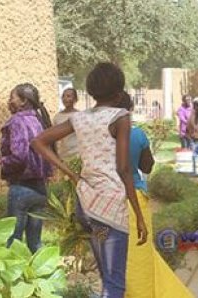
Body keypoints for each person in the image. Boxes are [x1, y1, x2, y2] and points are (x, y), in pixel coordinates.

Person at [31, 62, 147, 297]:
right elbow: (124, 169)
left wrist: (72, 174)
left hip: (89, 206)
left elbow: (38, 142)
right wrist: (139, 216)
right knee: (115, 284)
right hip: (111, 206)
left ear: (92, 92)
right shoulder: (120, 117)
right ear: (118, 93)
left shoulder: (79, 119)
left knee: (106, 274)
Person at [116, 94, 193, 298]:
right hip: (136, 201)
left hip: (106, 201)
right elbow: (147, 167)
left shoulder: (101, 135)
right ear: (129, 109)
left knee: (113, 256)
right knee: (139, 254)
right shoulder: (137, 135)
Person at [0, 83, 53, 253]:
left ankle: (12, 279)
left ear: (23, 101)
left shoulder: (17, 121)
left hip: (22, 188)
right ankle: (39, 276)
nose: (9, 102)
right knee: (35, 242)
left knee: (13, 241)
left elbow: (20, 156)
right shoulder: (39, 120)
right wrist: (1, 151)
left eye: (11, 98)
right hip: (40, 188)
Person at [53, 88, 80, 161]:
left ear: (75, 99)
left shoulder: (80, 116)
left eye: (68, 96)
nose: (65, 98)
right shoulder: (57, 117)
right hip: (63, 155)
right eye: (63, 96)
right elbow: (54, 138)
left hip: (77, 154)